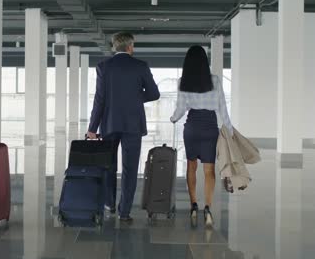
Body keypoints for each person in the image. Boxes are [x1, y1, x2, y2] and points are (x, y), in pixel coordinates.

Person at [87, 32, 160, 222]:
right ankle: (124, 211)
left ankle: (109, 203)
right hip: (133, 125)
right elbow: (154, 93)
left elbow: (99, 100)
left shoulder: (104, 67)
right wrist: (135, 98)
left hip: (109, 123)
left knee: (108, 165)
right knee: (130, 168)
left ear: (114, 47)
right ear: (130, 47)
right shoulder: (140, 66)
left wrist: (92, 128)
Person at [170, 45, 233, 228]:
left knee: (191, 166)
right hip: (209, 127)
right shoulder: (215, 80)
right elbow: (222, 107)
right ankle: (207, 207)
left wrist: (173, 118)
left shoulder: (183, 81)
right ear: (205, 62)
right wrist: (229, 129)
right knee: (209, 170)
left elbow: (181, 108)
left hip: (192, 127)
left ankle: (193, 205)